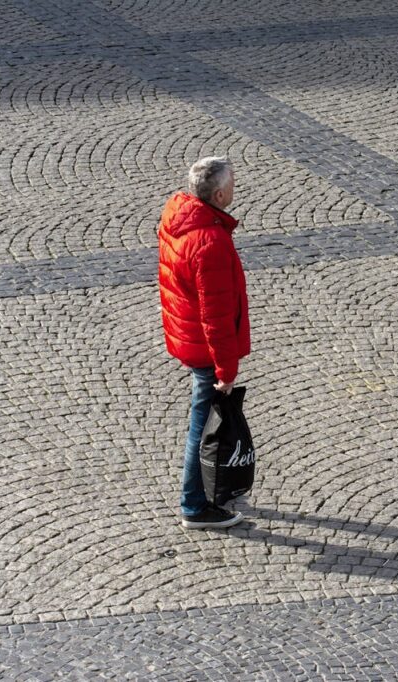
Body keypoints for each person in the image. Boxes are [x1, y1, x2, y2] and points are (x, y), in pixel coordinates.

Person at [158, 157, 250, 529]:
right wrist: (226, 370)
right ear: (218, 193)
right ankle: (194, 505)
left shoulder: (179, 214)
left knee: (205, 418)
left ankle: (207, 492)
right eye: (231, 185)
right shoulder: (209, 241)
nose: (234, 190)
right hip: (203, 344)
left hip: (185, 332)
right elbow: (216, 316)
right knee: (204, 423)